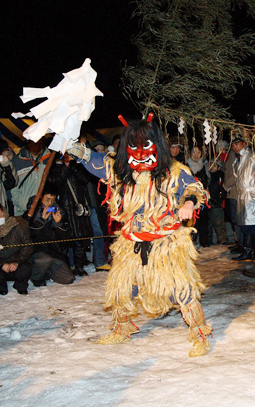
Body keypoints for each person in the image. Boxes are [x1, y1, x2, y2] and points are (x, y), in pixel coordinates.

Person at [67, 118, 211, 357]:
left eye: (146, 145)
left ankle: (200, 333)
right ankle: (121, 329)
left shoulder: (173, 172)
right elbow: (90, 159)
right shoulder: (119, 171)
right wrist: (70, 145)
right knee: (122, 289)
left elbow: (195, 188)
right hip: (131, 244)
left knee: (182, 291)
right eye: (133, 147)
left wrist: (188, 202)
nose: (141, 153)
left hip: (166, 245)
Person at [25, 187, 75, 286]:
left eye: (53, 200)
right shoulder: (30, 213)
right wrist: (42, 220)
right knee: (45, 259)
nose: (50, 203)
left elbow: (65, 239)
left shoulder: (58, 211)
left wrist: (58, 224)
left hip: (54, 252)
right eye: (47, 199)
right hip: (37, 252)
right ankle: (36, 277)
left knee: (68, 278)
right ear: (40, 198)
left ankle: (47, 272)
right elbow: (31, 234)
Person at [0, 203, 33, 295]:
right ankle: (1, 287)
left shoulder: (18, 225)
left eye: (1, 215)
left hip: (17, 262)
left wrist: (16, 261)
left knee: (25, 269)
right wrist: (1, 264)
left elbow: (28, 245)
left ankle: (20, 285)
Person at [11, 138, 53, 217]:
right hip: (22, 211)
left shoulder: (50, 159)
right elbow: (12, 186)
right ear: (28, 143)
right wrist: (22, 203)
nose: (36, 145)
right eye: (33, 142)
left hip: (44, 209)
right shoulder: (17, 161)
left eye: (39, 142)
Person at [187, 145, 211, 247]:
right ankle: (192, 242)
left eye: (198, 153)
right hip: (190, 199)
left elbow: (208, 180)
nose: (196, 155)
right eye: (194, 152)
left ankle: (204, 242)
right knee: (192, 222)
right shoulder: (186, 166)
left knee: (204, 221)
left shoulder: (205, 165)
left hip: (203, 198)